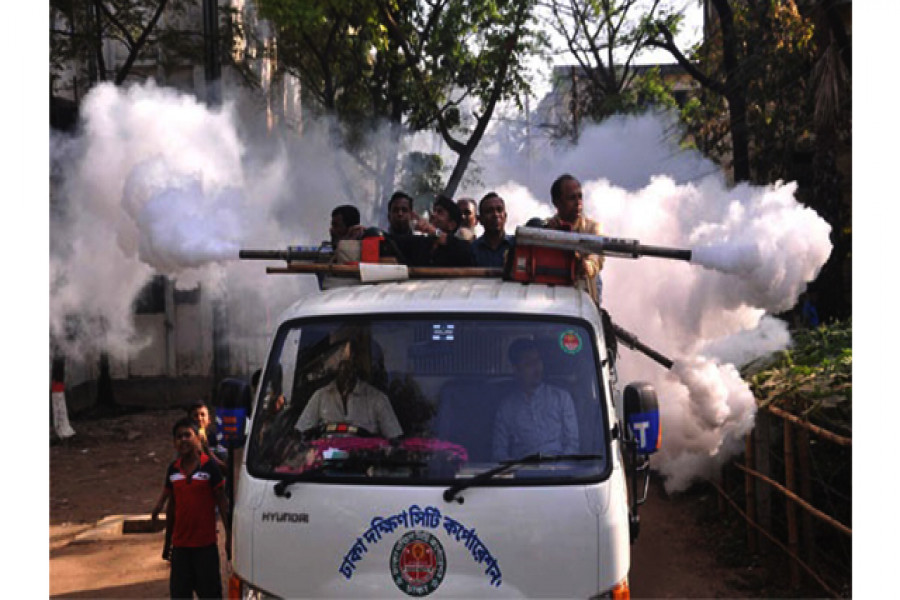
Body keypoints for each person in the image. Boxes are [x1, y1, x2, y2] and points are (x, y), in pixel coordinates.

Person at [153, 417, 230, 599]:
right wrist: (167, 543)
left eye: (188, 435)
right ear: (174, 443)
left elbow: (222, 502)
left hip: (205, 547)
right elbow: (172, 507)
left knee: (210, 594)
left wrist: (229, 537)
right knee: (180, 594)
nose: (183, 440)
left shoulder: (210, 467)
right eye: (179, 437)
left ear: (197, 438)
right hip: (180, 548)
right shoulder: (173, 470)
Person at [492, 338, 579, 461]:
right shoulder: (507, 407)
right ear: (516, 369)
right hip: (522, 474)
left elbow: (573, 444)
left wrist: (561, 467)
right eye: (528, 364)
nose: (536, 368)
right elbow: (499, 451)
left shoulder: (562, 398)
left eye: (537, 361)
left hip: (560, 472)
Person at [296, 340, 403, 439]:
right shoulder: (320, 396)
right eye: (342, 363)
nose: (346, 370)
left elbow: (394, 440)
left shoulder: (378, 399)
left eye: (350, 363)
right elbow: (301, 434)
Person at [545, 174, 604, 304]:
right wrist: (550, 236)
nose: (578, 203)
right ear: (557, 202)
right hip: (552, 302)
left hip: (584, 308)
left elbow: (593, 265)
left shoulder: (592, 229)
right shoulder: (545, 230)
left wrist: (565, 244)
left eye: (580, 197)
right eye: (572, 198)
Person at [409, 194, 475, 267]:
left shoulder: (460, 248)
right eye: (434, 211)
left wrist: (434, 232)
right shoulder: (420, 243)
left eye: (440, 212)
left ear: (451, 225)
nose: (433, 215)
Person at [471, 192, 514, 268]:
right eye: (489, 211)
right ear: (480, 219)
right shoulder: (472, 250)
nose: (495, 215)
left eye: (499, 210)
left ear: (505, 216)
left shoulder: (516, 246)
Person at [188, 401, 227, 470]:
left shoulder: (218, 440)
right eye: (195, 415)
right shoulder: (186, 441)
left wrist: (206, 449)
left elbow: (225, 469)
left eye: (202, 415)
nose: (199, 418)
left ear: (209, 419)